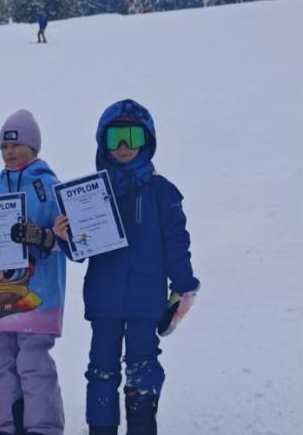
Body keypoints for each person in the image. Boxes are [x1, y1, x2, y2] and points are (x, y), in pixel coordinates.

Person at [54, 100, 199, 435]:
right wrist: (65, 237)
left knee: (142, 366)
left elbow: (176, 241)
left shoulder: (161, 191)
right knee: (101, 369)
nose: (122, 146)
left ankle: (142, 427)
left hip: (145, 300)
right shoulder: (91, 193)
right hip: (104, 298)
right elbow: (81, 252)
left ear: (146, 141)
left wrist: (183, 285)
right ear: (102, 142)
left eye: (132, 137)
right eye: (114, 138)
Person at [0, 110, 66, 435]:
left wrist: (42, 236)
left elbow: (68, 238)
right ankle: (7, 426)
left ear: (33, 147)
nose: (9, 152)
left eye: (16, 145)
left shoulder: (48, 186)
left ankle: (42, 426)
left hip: (37, 292)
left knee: (32, 362)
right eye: (4, 147)